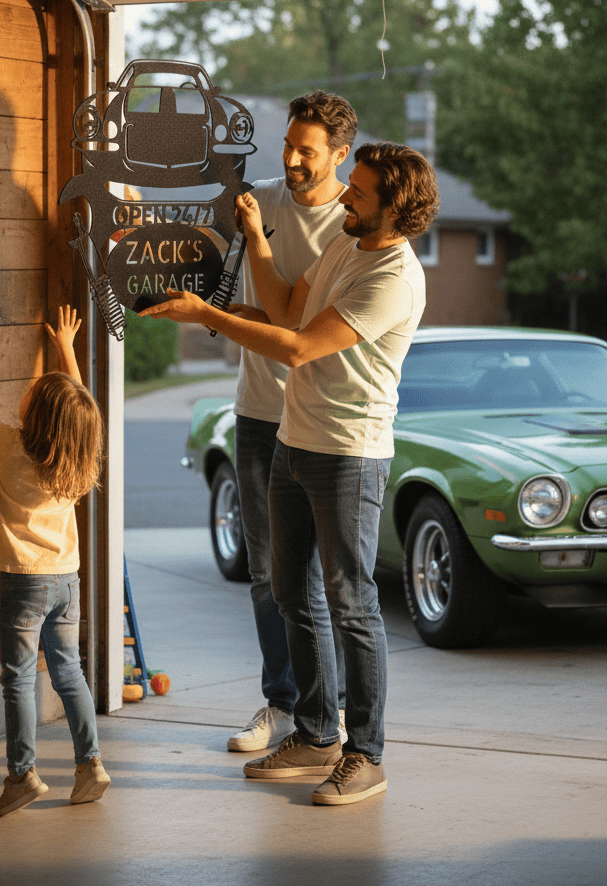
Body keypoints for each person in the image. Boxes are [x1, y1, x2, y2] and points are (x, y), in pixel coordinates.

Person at [141, 141, 439, 805]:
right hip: (293, 440)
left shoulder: (392, 275)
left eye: (358, 192)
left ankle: (366, 752)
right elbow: (283, 312)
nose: (345, 198)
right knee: (290, 591)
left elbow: (302, 347)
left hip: (348, 453)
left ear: (395, 207)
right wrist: (211, 294)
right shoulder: (345, 242)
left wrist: (209, 317)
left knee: (351, 602)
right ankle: (314, 733)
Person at [226, 90, 354, 755]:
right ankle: (282, 705)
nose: (293, 159)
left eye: (307, 150)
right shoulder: (261, 199)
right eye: (288, 144)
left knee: (323, 585)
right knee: (267, 572)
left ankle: (321, 715)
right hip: (257, 413)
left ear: (340, 155)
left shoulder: (350, 226)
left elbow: (290, 323)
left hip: (319, 425)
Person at [0, 305, 111, 817]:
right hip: (67, 581)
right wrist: (66, 346)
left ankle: (21, 776)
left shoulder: (11, 446)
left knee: (18, 678)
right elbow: (80, 404)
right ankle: (91, 765)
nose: (26, 387)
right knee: (70, 673)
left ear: (34, 415)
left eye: (32, 390)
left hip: (23, 583)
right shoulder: (80, 451)